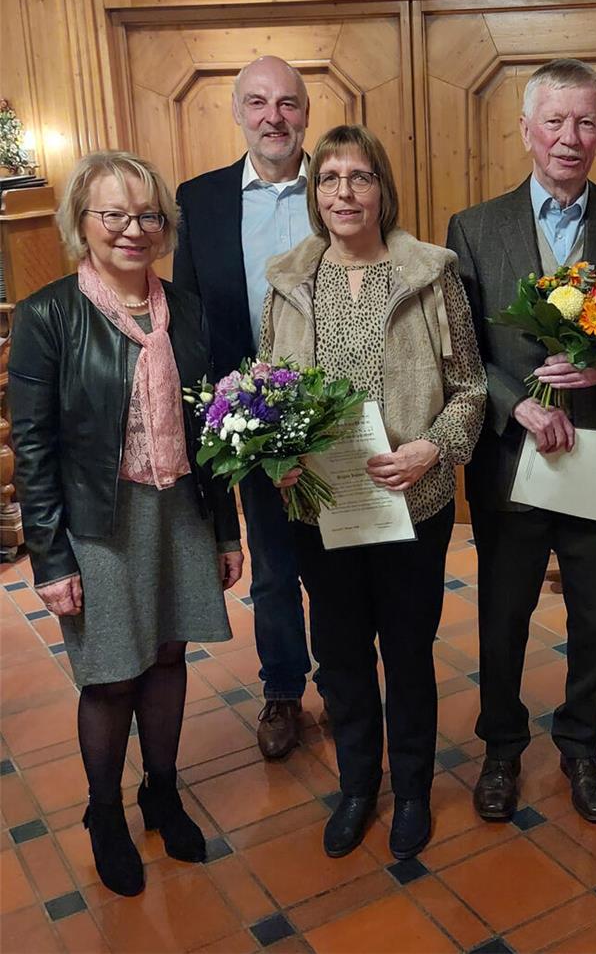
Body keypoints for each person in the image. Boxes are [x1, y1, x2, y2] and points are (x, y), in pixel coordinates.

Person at [9, 152, 243, 898]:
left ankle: (161, 792)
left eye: (147, 215)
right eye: (114, 214)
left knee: (169, 655)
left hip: (181, 510)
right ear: (81, 221)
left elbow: (215, 429)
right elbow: (34, 447)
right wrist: (50, 558)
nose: (133, 230)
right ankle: (104, 813)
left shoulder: (189, 310)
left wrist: (227, 532)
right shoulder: (49, 316)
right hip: (99, 521)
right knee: (112, 676)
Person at [447, 58, 596, 824]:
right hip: (512, 459)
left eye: (585, 122)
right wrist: (519, 407)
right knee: (502, 615)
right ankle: (501, 748)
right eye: (555, 121)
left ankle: (581, 746)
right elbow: (462, 349)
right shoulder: (475, 228)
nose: (569, 137)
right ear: (526, 130)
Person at [261, 123, 485, 861]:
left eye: (359, 177)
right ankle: (358, 785)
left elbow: (471, 388)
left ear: (383, 189)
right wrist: (275, 457)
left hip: (412, 505)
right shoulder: (289, 281)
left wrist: (432, 448)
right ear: (314, 192)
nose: (344, 193)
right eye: (329, 179)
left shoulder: (431, 274)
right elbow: (267, 393)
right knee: (341, 654)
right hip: (321, 509)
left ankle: (413, 788)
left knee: (409, 650)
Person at [174, 55, 317, 760]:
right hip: (253, 421)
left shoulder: (342, 185)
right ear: (238, 113)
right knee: (273, 568)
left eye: (287, 103)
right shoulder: (199, 201)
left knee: (344, 562)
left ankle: (348, 681)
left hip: (340, 415)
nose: (273, 117)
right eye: (258, 102)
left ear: (306, 115)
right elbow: (189, 314)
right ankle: (283, 689)